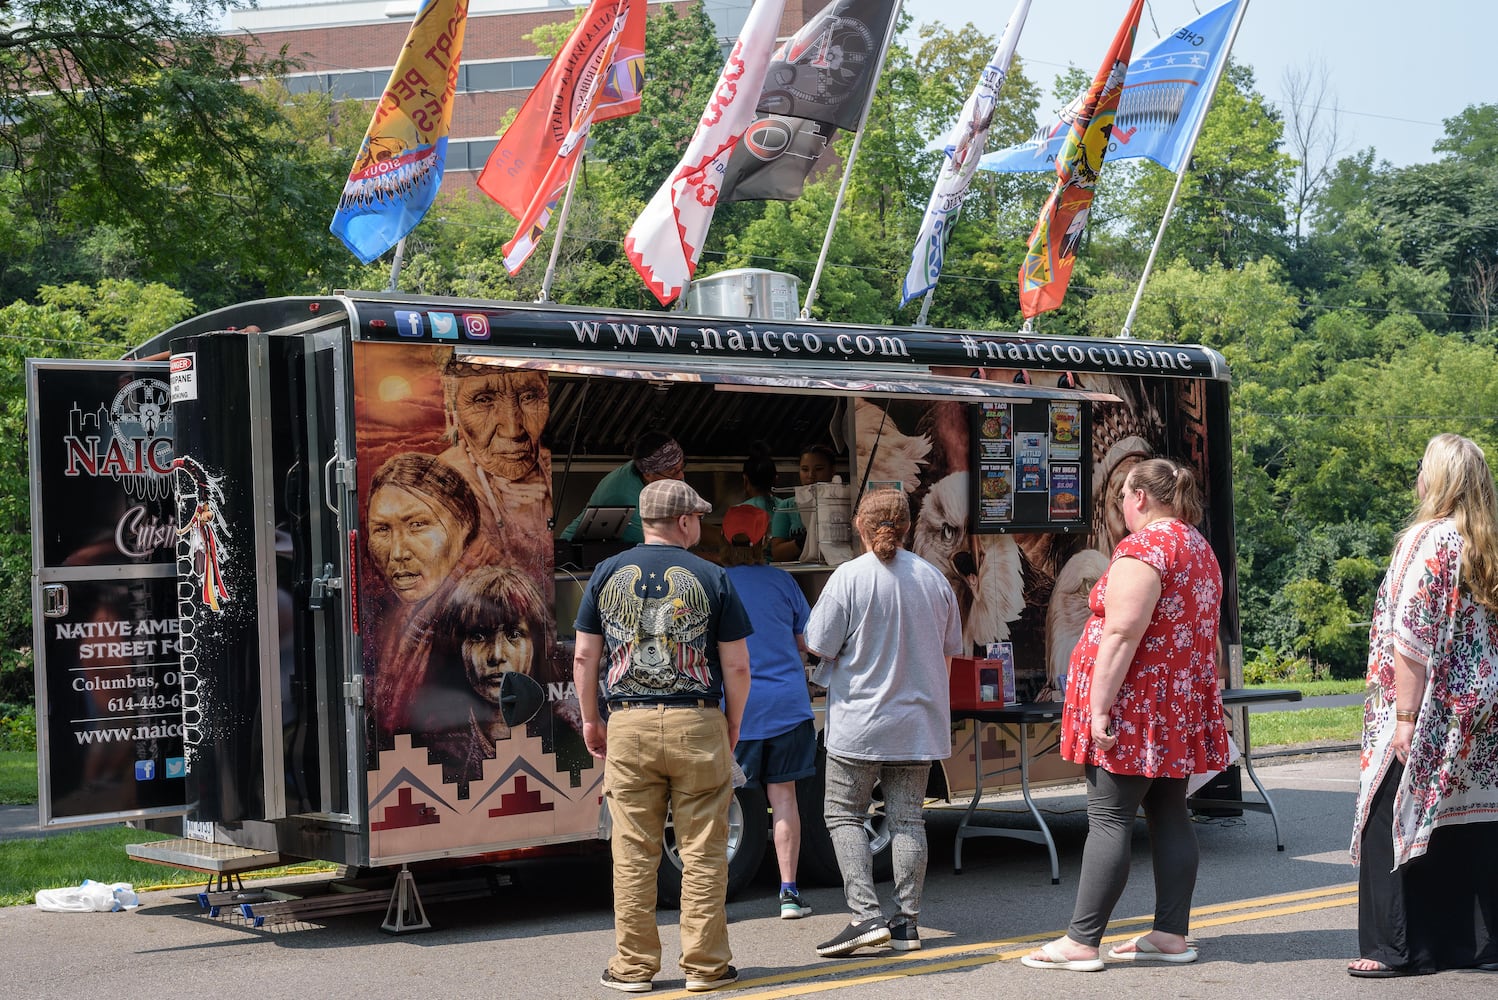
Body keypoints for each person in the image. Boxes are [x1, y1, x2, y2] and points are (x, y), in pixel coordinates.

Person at [1022, 458, 1229, 973]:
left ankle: (1081, 942)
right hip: (1174, 703)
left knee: (1109, 817)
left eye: (1122, 498)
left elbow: (1121, 633)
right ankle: (1169, 935)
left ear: (1139, 496)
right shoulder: (1198, 548)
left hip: (1135, 705)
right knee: (1169, 812)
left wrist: (1097, 707)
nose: (1120, 508)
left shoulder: (1145, 548)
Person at [573, 479, 753, 993]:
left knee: (633, 851)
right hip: (696, 721)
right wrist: (733, 720)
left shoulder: (606, 574)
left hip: (627, 724)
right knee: (701, 847)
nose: (700, 524)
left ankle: (632, 969)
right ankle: (706, 967)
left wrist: (591, 718)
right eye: (698, 516)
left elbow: (585, 657)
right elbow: (736, 666)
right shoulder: (713, 575)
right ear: (683, 522)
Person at [1347, 434, 1498, 978]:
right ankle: (1476, 946)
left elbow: (1409, 635)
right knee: (1470, 816)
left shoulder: (1429, 538)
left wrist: (1406, 718)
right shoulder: (1487, 540)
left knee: (1394, 810)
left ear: (1435, 479)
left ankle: (1398, 948)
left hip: (1427, 702)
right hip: (1482, 704)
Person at [803, 489, 962, 957]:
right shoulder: (935, 580)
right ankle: (907, 922)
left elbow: (819, 642)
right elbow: (949, 653)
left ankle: (865, 916)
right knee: (909, 819)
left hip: (860, 723)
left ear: (859, 526)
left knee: (843, 814)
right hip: (919, 724)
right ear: (908, 527)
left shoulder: (848, 578)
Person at [720, 504, 816, 920]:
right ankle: (789, 893)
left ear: (724, 539)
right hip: (787, 708)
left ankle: (710, 894)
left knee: (722, 803)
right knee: (785, 801)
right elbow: (806, 641)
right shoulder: (784, 582)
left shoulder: (716, 584)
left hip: (737, 711)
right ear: (764, 542)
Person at [364, 452, 499, 741]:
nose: (398, 552)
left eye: (417, 525)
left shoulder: (492, 610)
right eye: (382, 530)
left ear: (464, 526)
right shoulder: (403, 617)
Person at [413, 566, 556, 793]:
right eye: (478, 636)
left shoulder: (563, 728)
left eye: (514, 634)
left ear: (537, 644)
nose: (496, 655)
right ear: (457, 647)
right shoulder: (434, 747)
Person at [437, 359, 553, 580]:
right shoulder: (436, 487)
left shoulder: (546, 468)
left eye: (528, 397)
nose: (512, 429)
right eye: (484, 400)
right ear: (452, 407)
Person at [559, 431, 684, 545]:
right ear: (648, 474)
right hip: (579, 551)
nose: (681, 476)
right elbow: (661, 541)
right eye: (673, 472)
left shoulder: (667, 475)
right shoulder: (623, 495)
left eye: (681, 467)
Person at [769, 444, 837, 562]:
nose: (811, 476)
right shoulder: (787, 506)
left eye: (819, 469)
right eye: (805, 470)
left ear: (832, 471)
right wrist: (804, 541)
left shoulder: (843, 503)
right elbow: (777, 554)